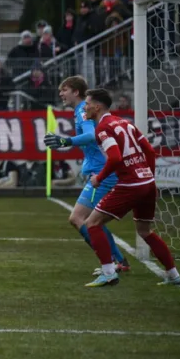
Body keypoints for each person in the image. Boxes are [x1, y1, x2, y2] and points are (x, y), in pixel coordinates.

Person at [79, 88, 180, 288]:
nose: (85, 107)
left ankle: (109, 273)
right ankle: (173, 275)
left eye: (88, 103)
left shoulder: (103, 128)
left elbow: (116, 158)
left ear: (97, 106)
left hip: (130, 184)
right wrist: (150, 178)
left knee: (92, 223)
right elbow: (150, 152)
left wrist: (99, 178)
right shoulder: (125, 122)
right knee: (145, 231)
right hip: (146, 183)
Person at [43, 76, 129, 273]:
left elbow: (91, 135)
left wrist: (66, 141)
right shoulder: (81, 110)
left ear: (75, 91)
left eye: (64, 90)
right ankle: (119, 260)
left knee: (77, 218)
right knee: (92, 219)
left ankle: (110, 263)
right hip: (99, 171)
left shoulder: (83, 109)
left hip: (102, 173)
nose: (61, 94)